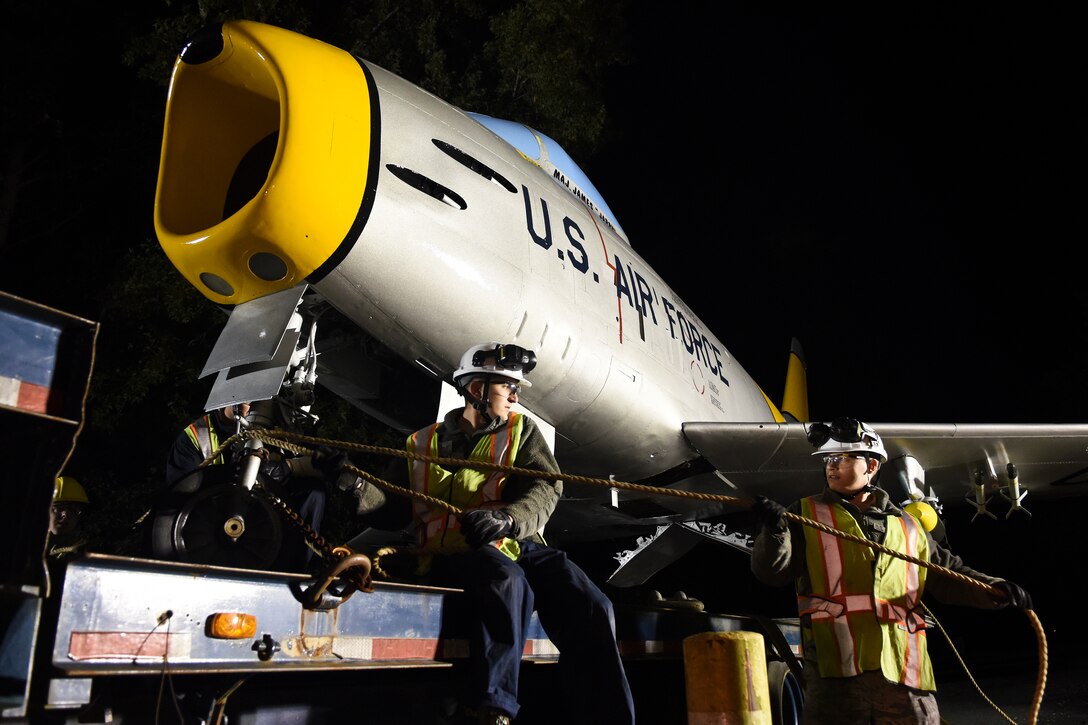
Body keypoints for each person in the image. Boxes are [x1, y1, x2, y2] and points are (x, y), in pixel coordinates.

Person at [357, 342, 635, 725]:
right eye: (509, 388)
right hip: (458, 552)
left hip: (514, 542)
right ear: (477, 390)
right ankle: (492, 708)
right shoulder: (420, 443)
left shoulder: (521, 432)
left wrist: (511, 519)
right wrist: (353, 485)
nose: (516, 398)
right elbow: (391, 507)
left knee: (592, 604)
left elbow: (546, 487)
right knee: (507, 582)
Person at [750, 417, 1033, 725]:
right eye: (828, 459)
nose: (831, 466)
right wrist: (774, 531)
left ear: (871, 466)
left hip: (902, 671)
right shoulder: (803, 514)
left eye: (842, 459)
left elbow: (948, 574)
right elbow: (771, 573)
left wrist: (996, 590)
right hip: (836, 675)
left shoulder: (907, 525)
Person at [153, 400, 341, 572]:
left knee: (313, 493)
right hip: (206, 529)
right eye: (250, 400)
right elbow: (178, 498)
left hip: (262, 525)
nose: (257, 406)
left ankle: (295, 575)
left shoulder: (273, 430)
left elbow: (313, 464)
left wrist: (285, 468)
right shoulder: (195, 436)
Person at [48, 476, 90, 562]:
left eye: (72, 509)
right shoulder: (24, 546)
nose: (65, 514)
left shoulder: (86, 554)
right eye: (58, 507)